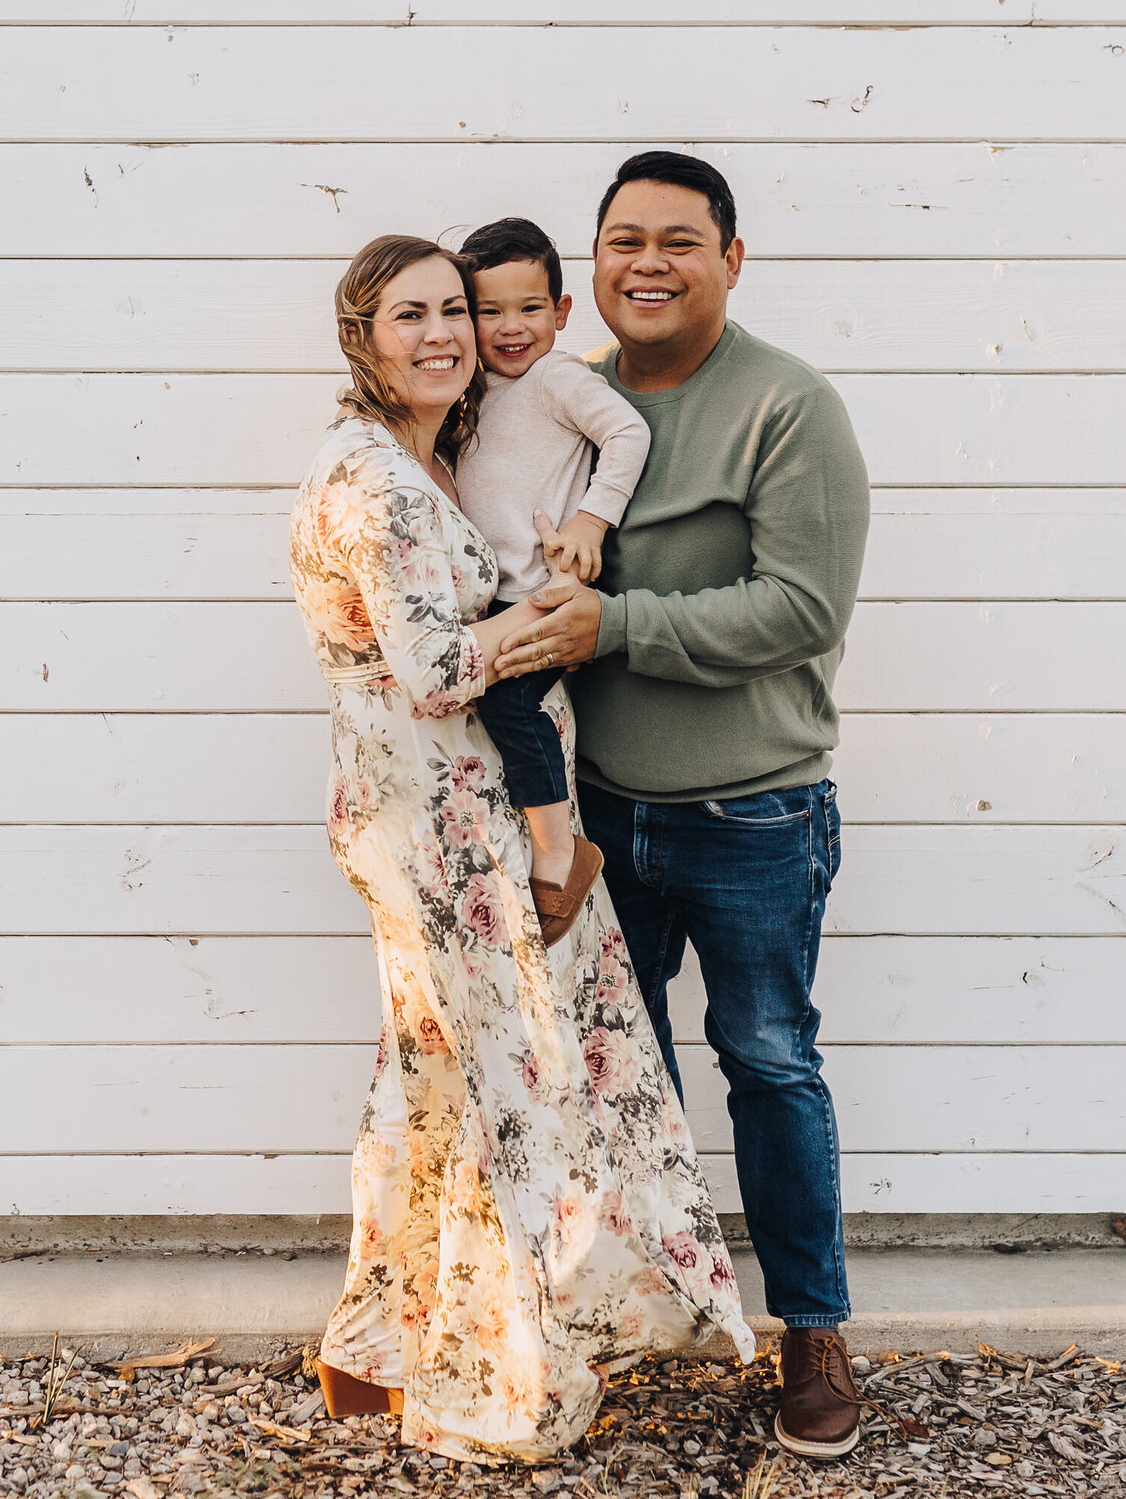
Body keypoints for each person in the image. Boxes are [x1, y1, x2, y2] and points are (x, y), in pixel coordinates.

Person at [287, 233, 754, 1465]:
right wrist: (550, 620)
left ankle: (379, 1347)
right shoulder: (381, 486)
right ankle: (490, 1373)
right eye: (413, 317)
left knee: (434, 1081)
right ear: (363, 336)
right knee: (498, 1087)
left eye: (456, 310)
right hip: (440, 837)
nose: (444, 334)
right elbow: (437, 669)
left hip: (442, 818)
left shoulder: (415, 460)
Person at [493, 154, 875, 1459]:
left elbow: (802, 609)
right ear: (589, 265)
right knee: (608, 1079)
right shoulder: (563, 399)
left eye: (678, 241)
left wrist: (613, 622)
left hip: (753, 817)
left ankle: (812, 1334)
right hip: (602, 816)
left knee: (769, 1065)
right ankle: (620, 1320)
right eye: (621, 242)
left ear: (731, 258)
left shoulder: (787, 408)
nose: (646, 264)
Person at [455, 215, 653, 945]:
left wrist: (592, 522)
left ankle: (560, 851)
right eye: (489, 311)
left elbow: (629, 433)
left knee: (514, 706)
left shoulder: (555, 377)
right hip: (490, 592)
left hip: (536, 587)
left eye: (530, 308)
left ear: (561, 313)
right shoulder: (474, 388)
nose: (511, 328)